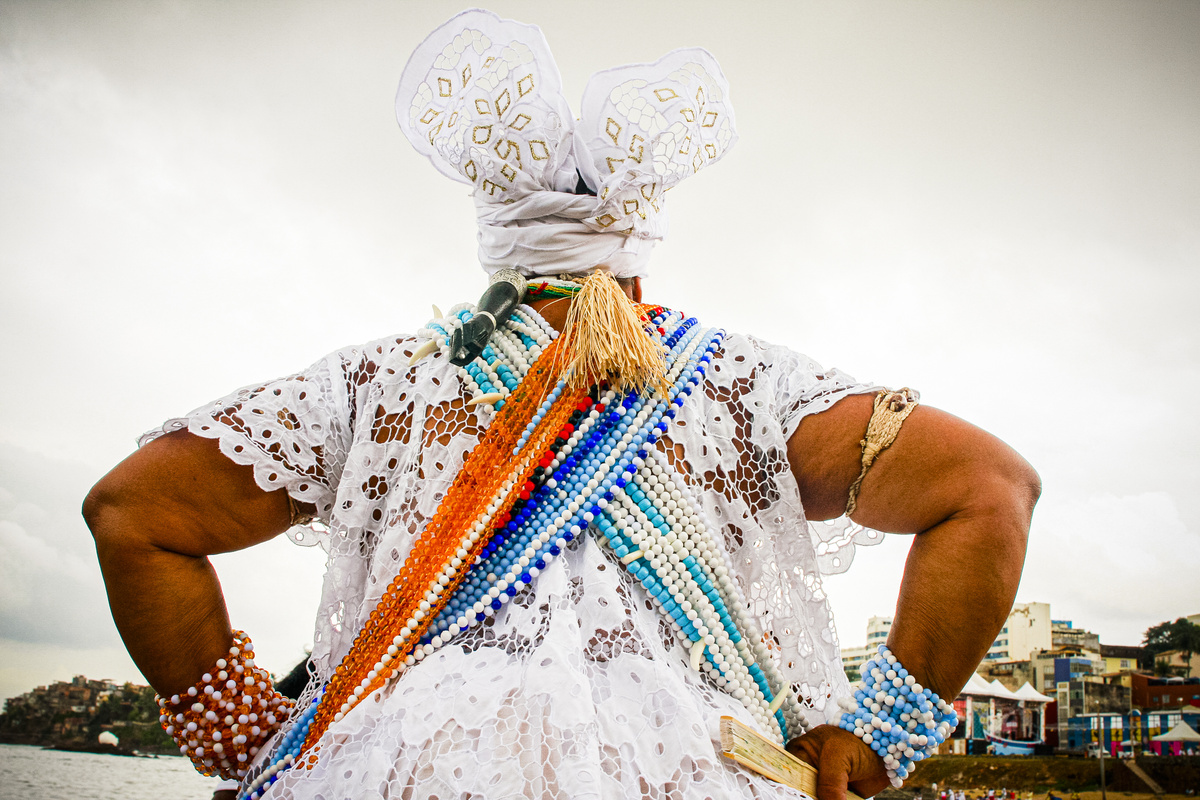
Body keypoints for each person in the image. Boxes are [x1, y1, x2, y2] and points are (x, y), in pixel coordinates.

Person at [83, 9, 1038, 800]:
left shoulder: (376, 383)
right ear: (638, 239)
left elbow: (132, 512)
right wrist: (877, 740)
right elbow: (990, 487)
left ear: (499, 240)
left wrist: (247, 736)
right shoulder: (747, 383)